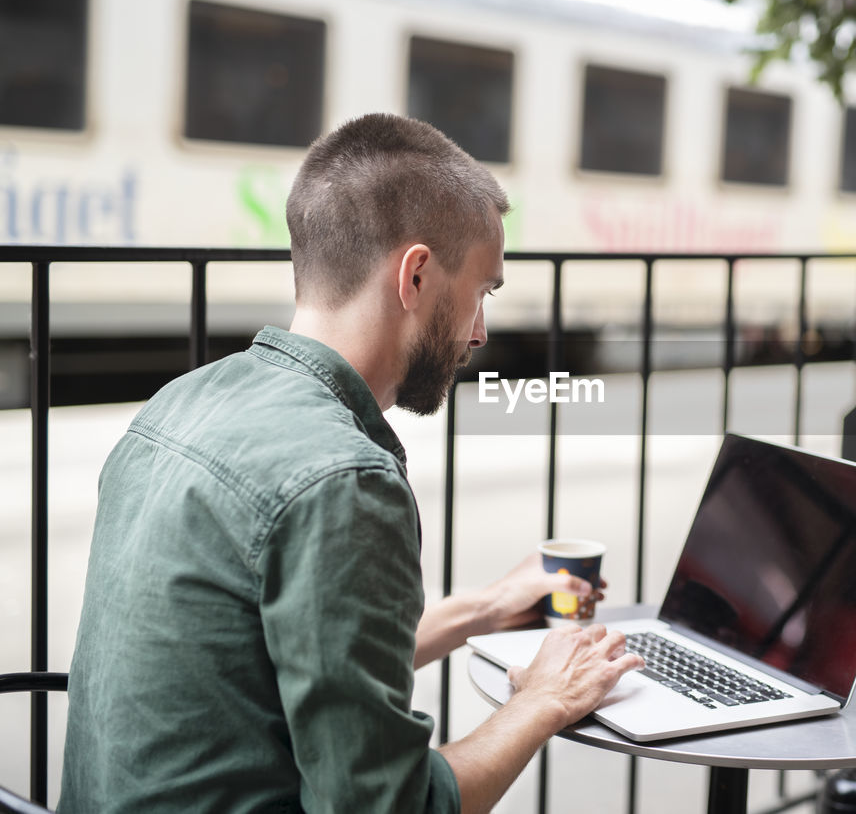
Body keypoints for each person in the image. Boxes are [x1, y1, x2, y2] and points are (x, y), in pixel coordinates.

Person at [60, 113, 644, 814]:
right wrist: (546, 699)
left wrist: (481, 609)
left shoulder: (179, 403)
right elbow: (386, 807)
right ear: (418, 274)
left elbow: (279, 663)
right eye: (482, 291)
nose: (482, 330)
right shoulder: (344, 480)